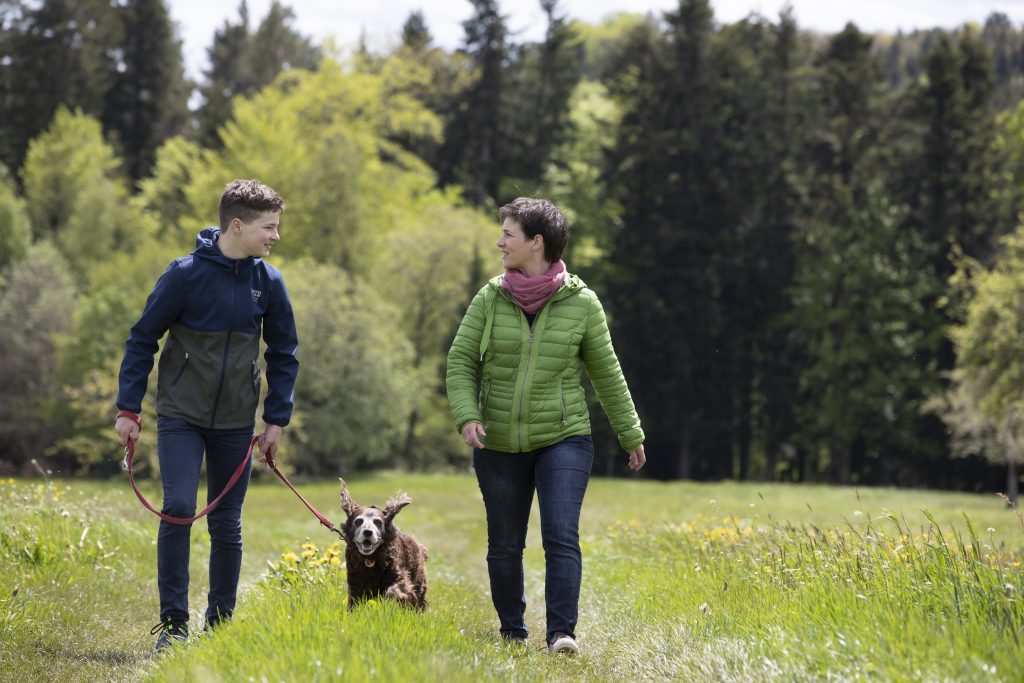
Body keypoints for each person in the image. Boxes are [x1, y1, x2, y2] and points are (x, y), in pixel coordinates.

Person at [446, 197, 646, 656]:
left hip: (563, 438)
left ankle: (561, 634)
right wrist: (468, 414)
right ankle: (512, 631)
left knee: (560, 533)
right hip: (497, 440)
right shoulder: (489, 297)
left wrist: (630, 432)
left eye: (508, 234)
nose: (500, 242)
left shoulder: (583, 304)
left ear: (536, 243)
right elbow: (460, 361)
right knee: (505, 544)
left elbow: (606, 373)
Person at [114, 179, 299, 652]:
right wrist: (129, 408)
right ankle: (174, 626)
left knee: (226, 522)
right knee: (177, 507)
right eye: (269, 227)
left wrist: (275, 420)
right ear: (237, 225)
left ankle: (219, 627)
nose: (275, 236)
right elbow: (142, 339)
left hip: (237, 421)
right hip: (180, 415)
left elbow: (284, 352)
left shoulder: (268, 282)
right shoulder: (184, 274)